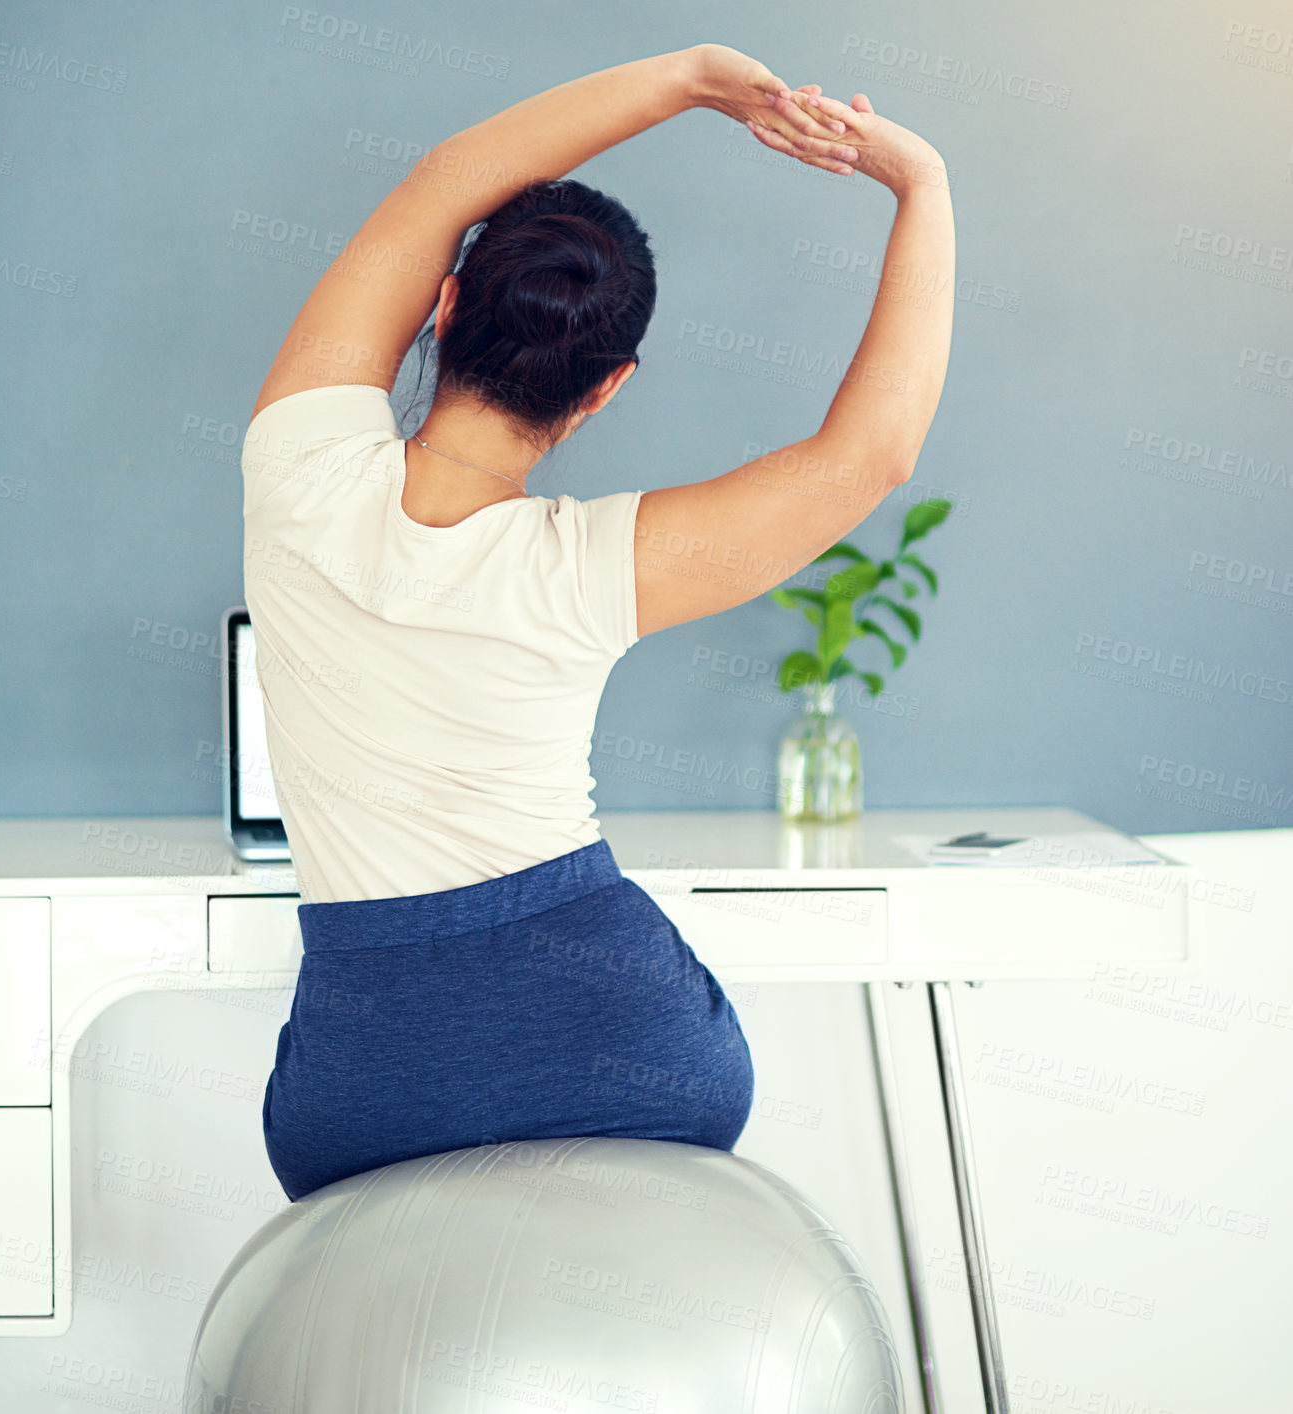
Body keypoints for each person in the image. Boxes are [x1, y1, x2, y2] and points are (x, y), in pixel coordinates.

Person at [242, 43, 954, 1202]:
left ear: (447, 303)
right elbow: (870, 455)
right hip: (628, 1049)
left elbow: (441, 182)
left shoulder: (295, 464)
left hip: (368, 1085)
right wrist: (920, 185)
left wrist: (684, 79)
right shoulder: (592, 565)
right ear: (610, 381)